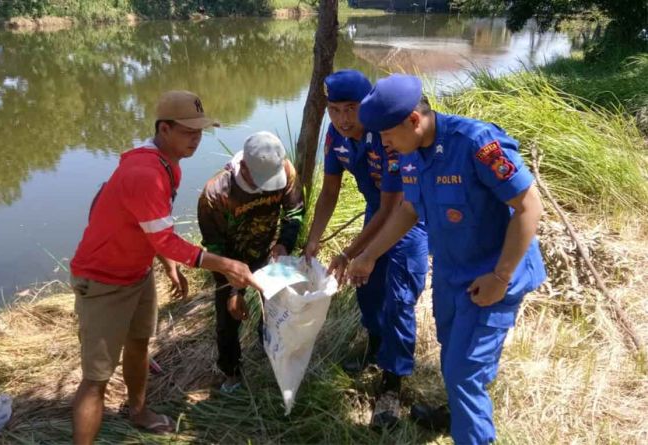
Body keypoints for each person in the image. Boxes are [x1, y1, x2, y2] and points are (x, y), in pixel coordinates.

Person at [348, 74, 546, 444]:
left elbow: (528, 206)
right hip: (453, 274)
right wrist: (370, 256)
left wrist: (500, 277)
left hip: (493, 275)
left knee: (464, 372)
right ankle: (458, 415)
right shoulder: (409, 155)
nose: (384, 144)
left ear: (413, 120)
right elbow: (408, 209)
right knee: (452, 353)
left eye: (387, 135)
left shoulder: (475, 143)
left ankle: (472, 432)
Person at [69, 90, 261, 444]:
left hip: (137, 274)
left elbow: (151, 229)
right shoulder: (145, 171)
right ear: (164, 129)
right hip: (102, 280)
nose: (196, 139)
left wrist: (168, 266)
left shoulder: (168, 164)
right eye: (189, 132)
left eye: (200, 131)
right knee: (95, 379)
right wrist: (227, 264)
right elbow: (165, 239)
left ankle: (138, 411)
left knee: (140, 344)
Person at [303, 70, 429, 427]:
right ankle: (375, 345)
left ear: (367, 105)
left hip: (408, 215)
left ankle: (392, 384)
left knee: (399, 297)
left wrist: (349, 253)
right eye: (334, 109)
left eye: (351, 109)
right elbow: (329, 191)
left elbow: (393, 207)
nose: (343, 119)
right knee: (367, 288)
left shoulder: (385, 134)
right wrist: (314, 238)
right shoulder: (335, 136)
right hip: (377, 211)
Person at [198, 131, 304, 392]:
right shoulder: (216, 194)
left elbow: (295, 212)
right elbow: (215, 248)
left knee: (277, 308)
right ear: (244, 166)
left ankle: (269, 345)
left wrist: (283, 245)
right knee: (227, 320)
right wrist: (234, 290)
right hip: (230, 260)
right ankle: (231, 372)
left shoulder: (286, 171)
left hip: (268, 254)